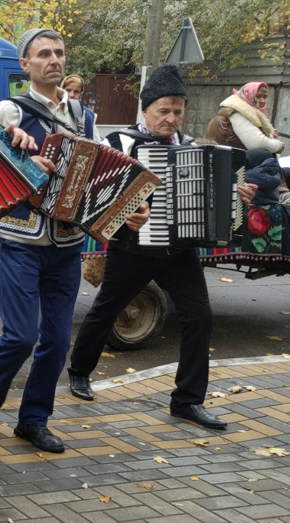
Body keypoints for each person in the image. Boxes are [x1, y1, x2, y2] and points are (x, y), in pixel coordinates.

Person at [68, 66, 257, 429]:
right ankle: (79, 371)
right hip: (133, 248)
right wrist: (124, 215)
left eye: (178, 112)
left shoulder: (189, 148)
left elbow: (208, 197)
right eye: (164, 111)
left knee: (200, 318)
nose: (171, 119)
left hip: (179, 251)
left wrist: (236, 194)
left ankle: (187, 401)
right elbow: (92, 196)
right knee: (106, 310)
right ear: (146, 111)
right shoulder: (119, 144)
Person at [0, 28, 103, 454]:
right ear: (25, 65)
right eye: (43, 54)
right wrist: (20, 158)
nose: (54, 60)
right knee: (21, 335)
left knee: (58, 341)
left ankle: (33, 420)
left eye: (60, 52)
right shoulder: (9, 109)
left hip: (66, 243)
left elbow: (99, 171)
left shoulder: (83, 115)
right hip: (21, 238)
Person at [207, 82, 283, 154]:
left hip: (229, 159)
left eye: (265, 97)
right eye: (258, 96)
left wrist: (268, 136)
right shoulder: (237, 113)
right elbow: (256, 143)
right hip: (233, 163)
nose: (263, 100)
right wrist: (279, 146)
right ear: (249, 95)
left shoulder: (242, 112)